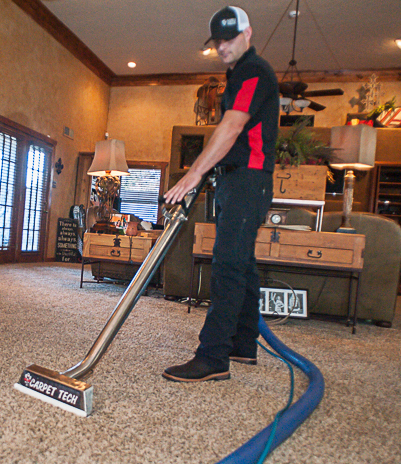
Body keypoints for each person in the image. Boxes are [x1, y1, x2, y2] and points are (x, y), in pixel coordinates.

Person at [163, 6, 279, 382]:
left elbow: (231, 128)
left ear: (248, 33)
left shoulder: (253, 71)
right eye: (218, 41)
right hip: (237, 180)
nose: (223, 46)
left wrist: (194, 173)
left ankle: (213, 357)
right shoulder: (236, 75)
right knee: (242, 263)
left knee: (227, 265)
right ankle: (243, 344)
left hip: (248, 179)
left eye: (230, 38)